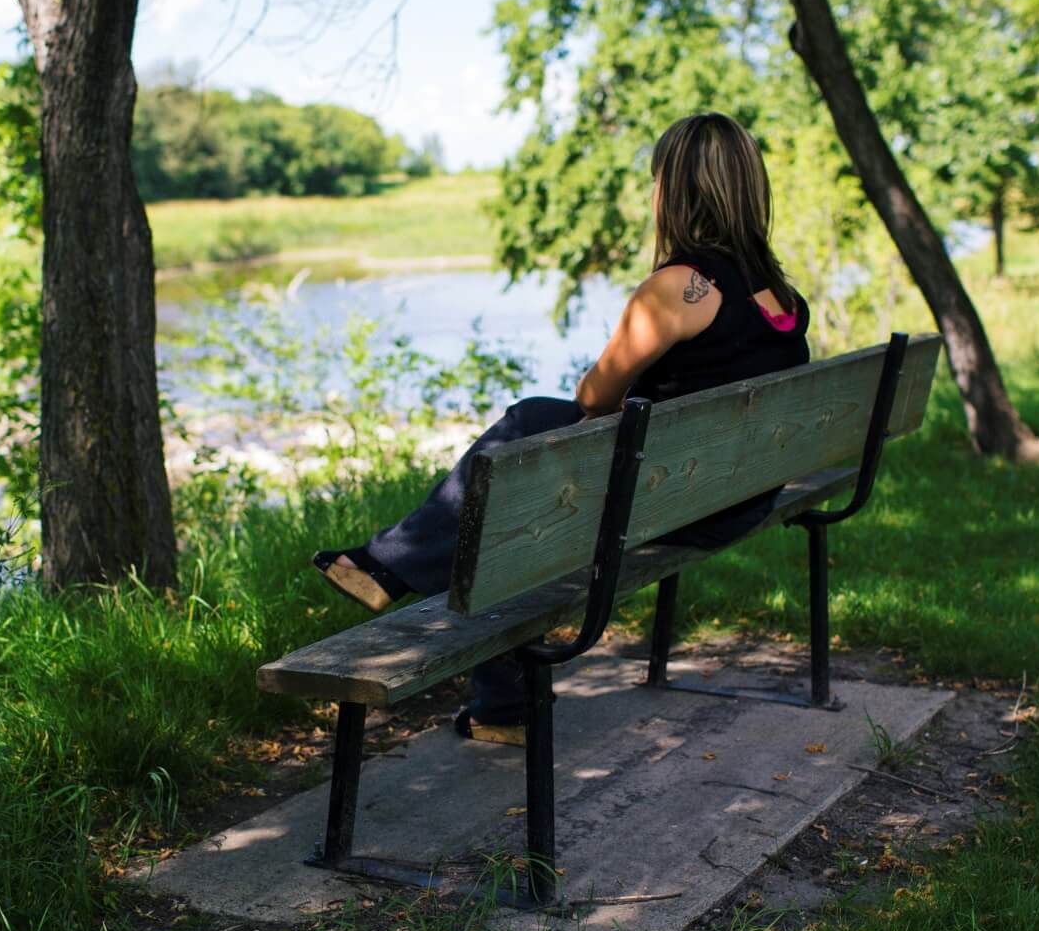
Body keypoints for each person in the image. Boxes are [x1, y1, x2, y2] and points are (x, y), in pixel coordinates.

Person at [311, 111, 811, 733]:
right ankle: (444, 635)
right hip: (733, 495)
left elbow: (596, 396)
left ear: (674, 191)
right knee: (527, 471)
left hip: (674, 503)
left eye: (657, 179)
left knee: (529, 434)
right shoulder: (782, 297)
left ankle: (394, 573)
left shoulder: (680, 286)